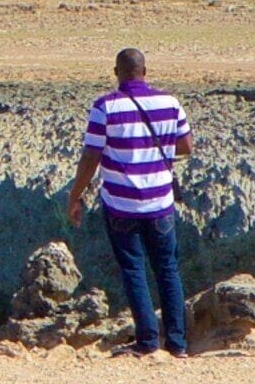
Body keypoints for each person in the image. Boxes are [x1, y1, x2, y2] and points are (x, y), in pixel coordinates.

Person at [65, 48, 192, 357]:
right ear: (145, 71)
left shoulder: (105, 107)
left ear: (116, 72)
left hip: (122, 202)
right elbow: (186, 146)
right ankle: (177, 343)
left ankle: (148, 340)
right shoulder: (170, 102)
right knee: (167, 268)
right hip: (160, 200)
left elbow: (91, 156)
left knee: (133, 269)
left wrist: (75, 194)